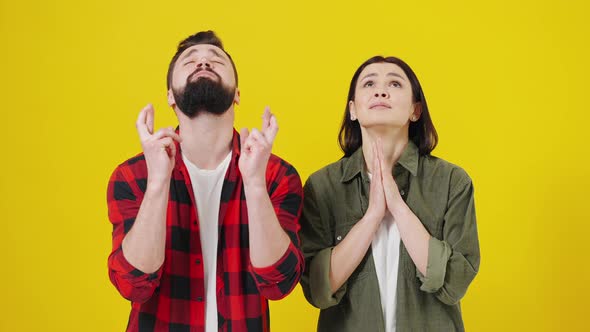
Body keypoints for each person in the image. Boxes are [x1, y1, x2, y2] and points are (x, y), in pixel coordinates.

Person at [106, 30, 304, 332]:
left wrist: (253, 183)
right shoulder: (134, 175)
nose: (203, 63)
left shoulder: (275, 175)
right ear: (170, 96)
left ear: (237, 93)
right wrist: (159, 182)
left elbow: (278, 283)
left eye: (215, 60)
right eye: (191, 61)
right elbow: (133, 284)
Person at [299, 56, 480, 331]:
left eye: (395, 84)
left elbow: (455, 282)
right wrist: (372, 216)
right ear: (353, 109)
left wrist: (397, 206)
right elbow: (318, 290)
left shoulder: (452, 182)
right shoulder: (322, 186)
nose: (381, 91)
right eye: (369, 83)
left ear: (415, 110)